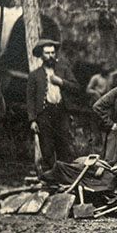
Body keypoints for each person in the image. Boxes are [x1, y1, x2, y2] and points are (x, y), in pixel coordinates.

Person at [26, 38, 79, 169]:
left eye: (53, 52)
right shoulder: (35, 75)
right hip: (44, 114)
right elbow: (30, 99)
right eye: (47, 53)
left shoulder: (63, 69)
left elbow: (76, 88)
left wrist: (61, 82)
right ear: (41, 55)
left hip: (61, 112)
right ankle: (51, 178)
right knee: (47, 148)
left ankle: (65, 178)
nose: (51, 56)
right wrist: (32, 120)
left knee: (64, 145)